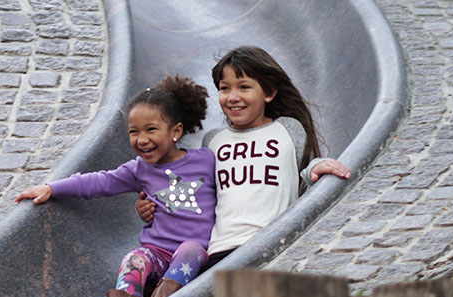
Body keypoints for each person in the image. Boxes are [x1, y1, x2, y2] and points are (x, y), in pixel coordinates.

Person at [16, 75, 217, 297]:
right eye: (134, 132)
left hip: (194, 257)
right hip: (157, 254)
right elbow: (100, 182)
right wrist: (53, 187)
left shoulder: (206, 162)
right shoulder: (140, 170)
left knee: (191, 249)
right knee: (134, 258)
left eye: (151, 129)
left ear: (175, 131)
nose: (141, 139)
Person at [137, 46, 350, 272]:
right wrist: (151, 205)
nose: (233, 97)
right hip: (220, 252)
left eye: (244, 87)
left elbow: (304, 168)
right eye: (224, 88)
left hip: (271, 243)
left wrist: (318, 166)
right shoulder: (214, 140)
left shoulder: (287, 128)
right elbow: (197, 194)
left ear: (268, 93)